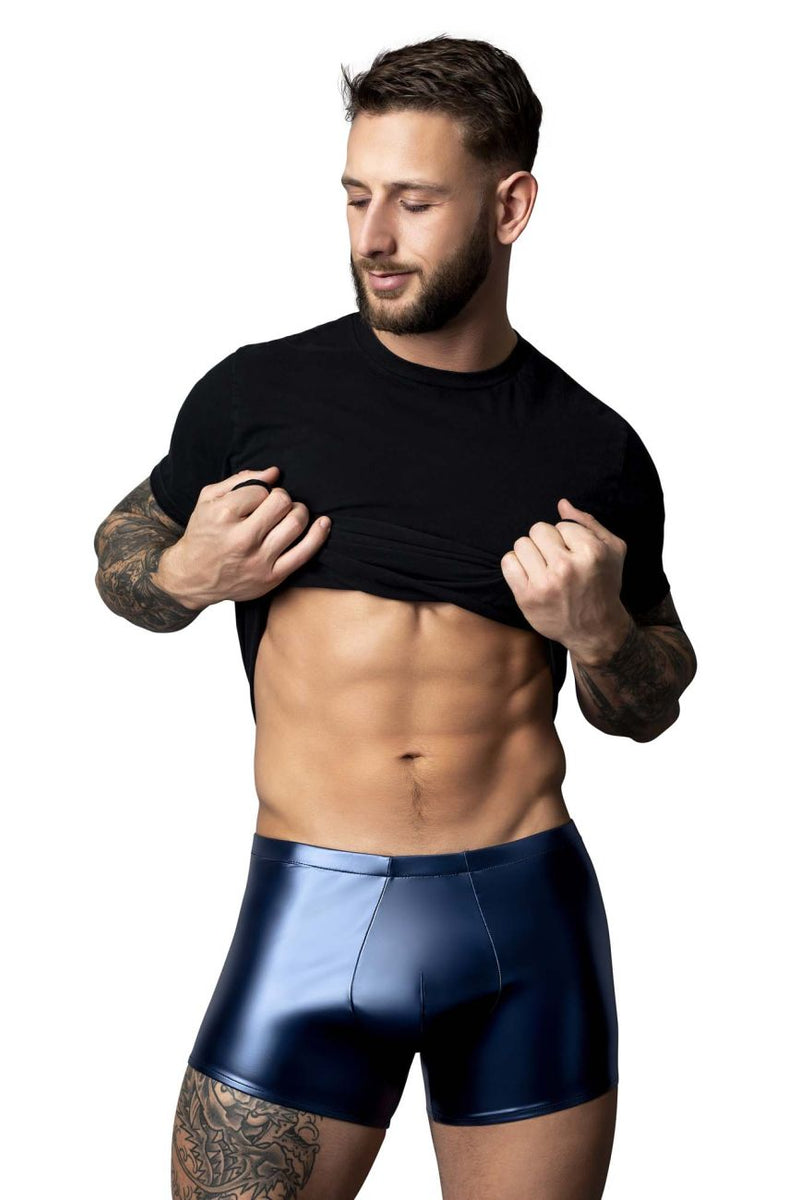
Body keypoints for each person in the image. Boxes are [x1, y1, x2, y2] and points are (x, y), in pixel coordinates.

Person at [94, 34, 697, 1200]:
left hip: (527, 922)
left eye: (415, 203)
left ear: (509, 206)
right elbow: (121, 561)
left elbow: (650, 700)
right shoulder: (255, 396)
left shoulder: (593, 449)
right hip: (311, 914)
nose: (372, 236)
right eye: (356, 196)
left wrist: (599, 636)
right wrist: (186, 573)